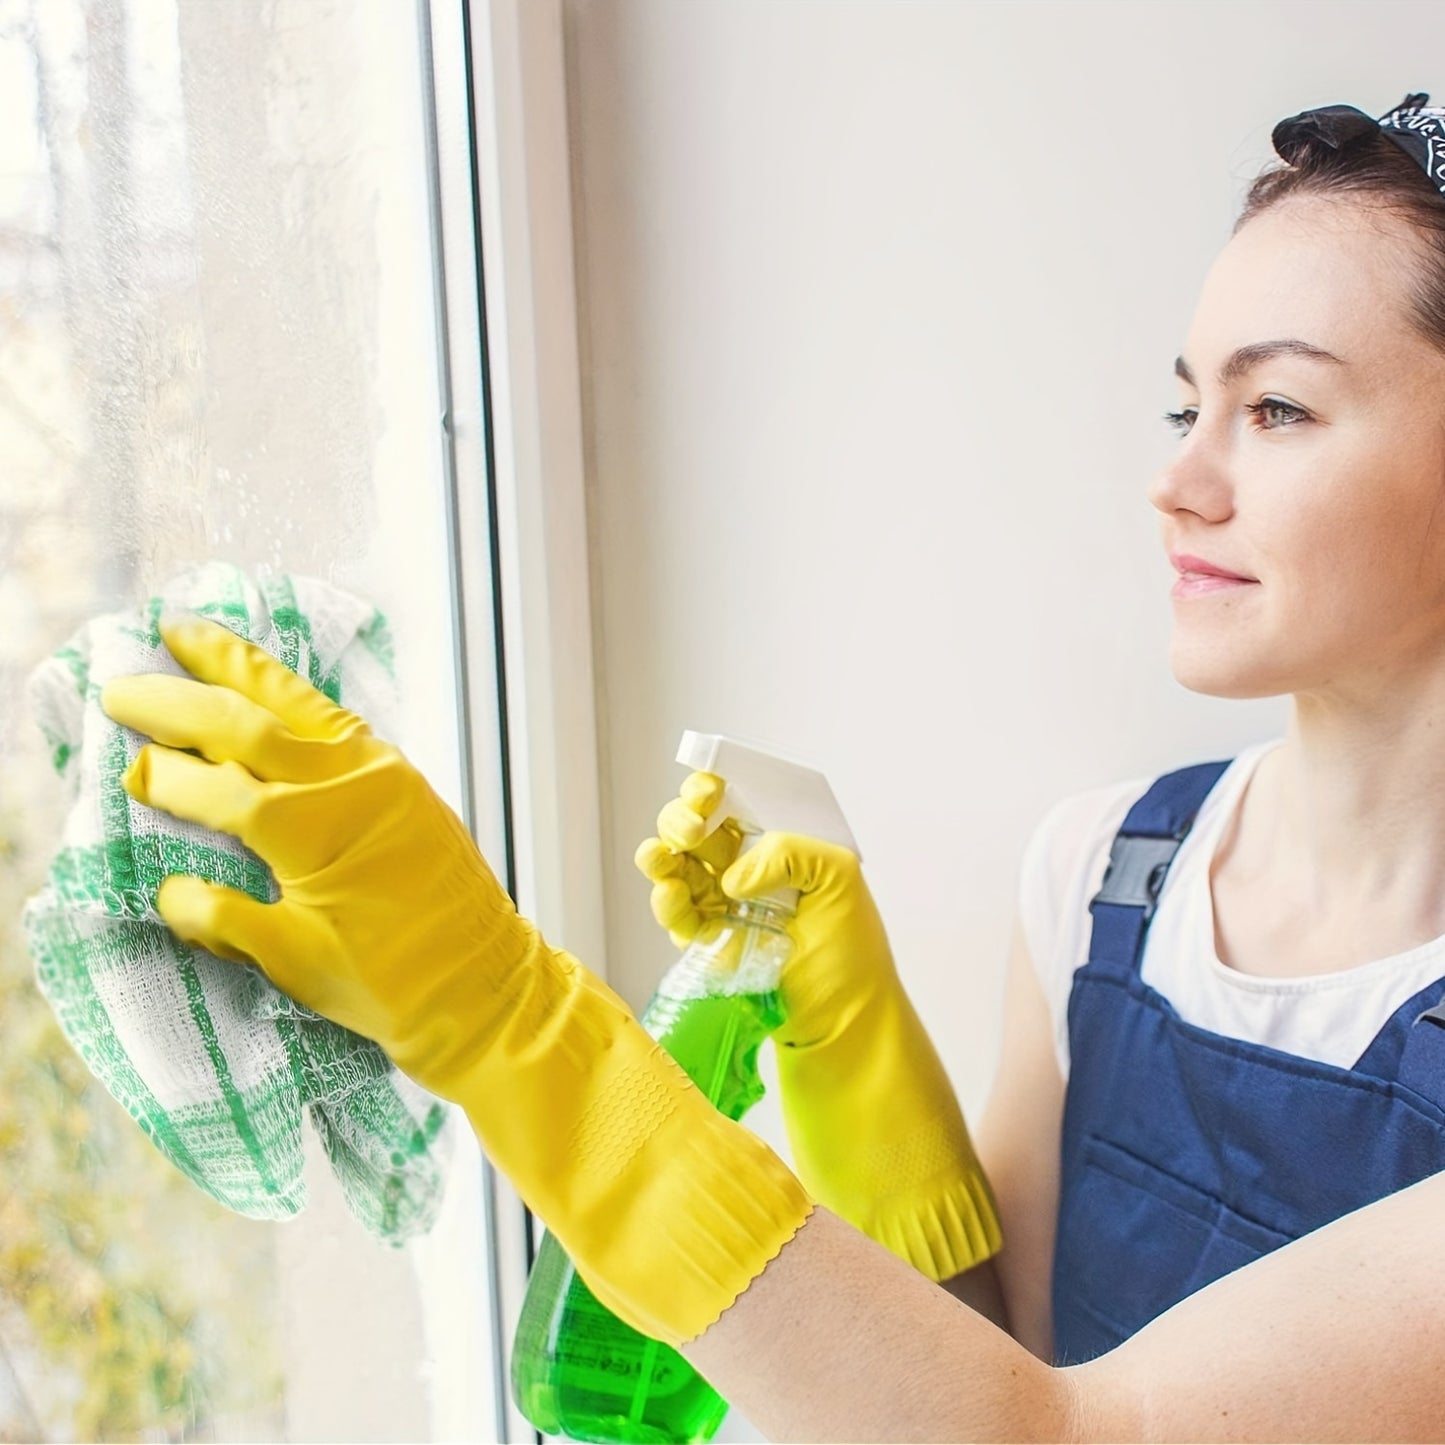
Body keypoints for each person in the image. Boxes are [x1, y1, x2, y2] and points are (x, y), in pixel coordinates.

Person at [98, 92, 1445, 1442]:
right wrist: (855, 1053)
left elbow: (1058, 1434)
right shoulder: (1108, 873)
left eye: (1274, 408)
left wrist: (501, 1017)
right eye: (1181, 406)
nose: (1178, 479)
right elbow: (994, 1365)